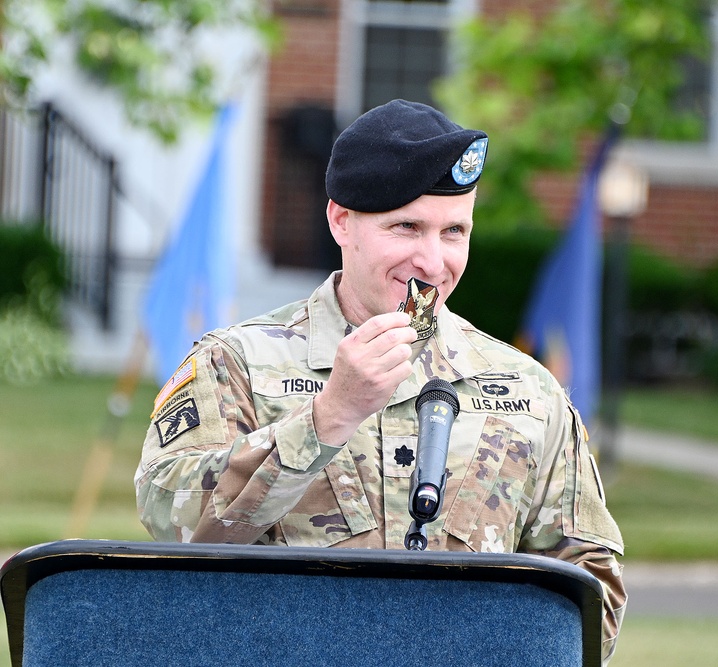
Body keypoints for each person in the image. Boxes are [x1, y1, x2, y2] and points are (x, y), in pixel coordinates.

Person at [135, 99, 626, 662]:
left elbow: (592, 589)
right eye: (407, 227)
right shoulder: (237, 363)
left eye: (454, 231)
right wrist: (329, 417)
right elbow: (173, 527)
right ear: (341, 221)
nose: (433, 261)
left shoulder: (528, 390)